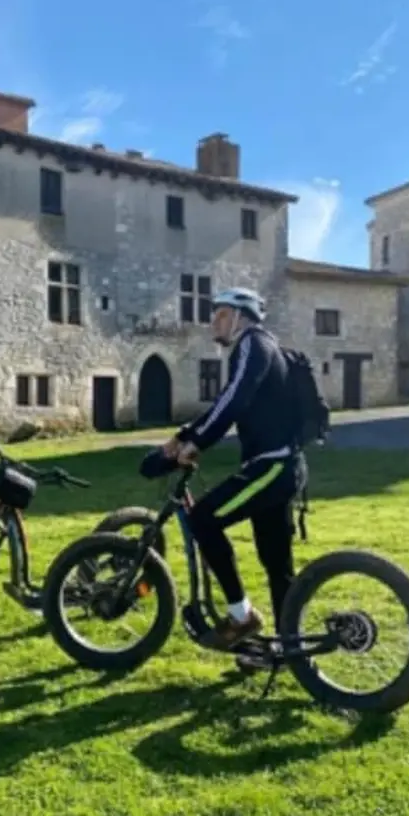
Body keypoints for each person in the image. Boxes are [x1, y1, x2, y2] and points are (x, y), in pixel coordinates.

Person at [161, 287, 307, 671]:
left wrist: (190, 439)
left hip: (271, 467)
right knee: (277, 562)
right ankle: (288, 650)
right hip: (281, 465)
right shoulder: (264, 346)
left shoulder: (252, 345)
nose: (215, 323)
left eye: (221, 315)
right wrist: (194, 436)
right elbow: (236, 400)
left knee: (202, 519)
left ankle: (241, 617)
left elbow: (232, 399)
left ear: (241, 317)